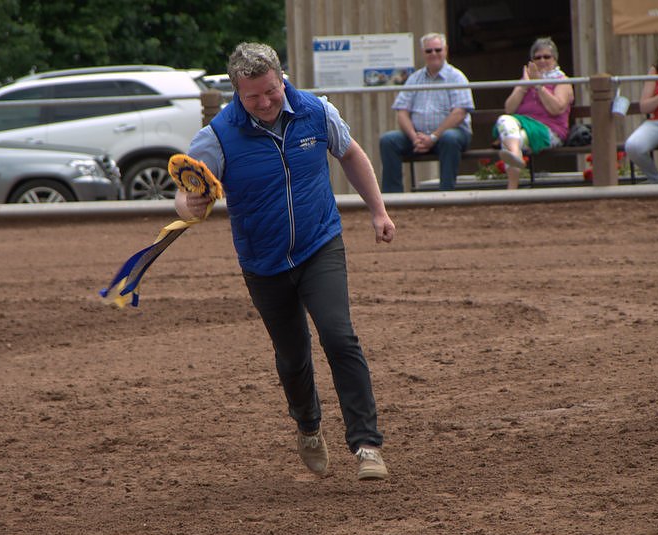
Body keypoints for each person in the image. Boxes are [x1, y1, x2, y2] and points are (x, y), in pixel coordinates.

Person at [175, 42, 396, 481]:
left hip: (320, 244)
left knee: (339, 336)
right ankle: (308, 425)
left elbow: (349, 153)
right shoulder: (218, 135)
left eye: (271, 91)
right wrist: (190, 204)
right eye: (252, 96)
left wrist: (378, 209)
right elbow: (188, 192)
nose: (265, 102)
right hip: (263, 260)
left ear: (282, 78)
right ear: (237, 92)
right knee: (293, 356)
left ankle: (366, 444)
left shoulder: (315, 111)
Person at [379, 32, 474, 192]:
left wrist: (434, 136)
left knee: (449, 138)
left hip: (450, 135)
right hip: (418, 137)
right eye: (429, 51)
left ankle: (446, 195)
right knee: (388, 140)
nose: (434, 54)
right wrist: (414, 137)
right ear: (423, 53)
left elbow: (459, 113)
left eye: (438, 50)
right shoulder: (414, 79)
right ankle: (392, 198)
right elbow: (402, 112)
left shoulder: (457, 77)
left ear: (446, 50)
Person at [495, 37, 574, 190]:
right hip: (521, 126)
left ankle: (512, 188)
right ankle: (515, 155)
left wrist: (539, 86)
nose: (542, 60)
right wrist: (525, 85)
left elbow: (556, 108)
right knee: (505, 121)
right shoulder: (526, 80)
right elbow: (509, 109)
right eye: (537, 57)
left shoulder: (562, 81)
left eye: (547, 57)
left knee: (510, 139)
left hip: (549, 131)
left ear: (555, 59)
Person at [624, 30, 658, 184]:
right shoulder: (655, 71)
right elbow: (644, 107)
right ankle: (656, 180)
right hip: (657, 122)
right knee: (633, 146)